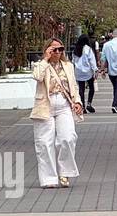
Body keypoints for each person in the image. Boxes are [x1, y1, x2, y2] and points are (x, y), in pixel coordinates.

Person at [30, 38, 84, 189]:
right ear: (47, 50)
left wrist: (78, 102)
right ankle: (48, 178)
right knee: (45, 143)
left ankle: (65, 172)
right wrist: (46, 59)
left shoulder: (68, 66)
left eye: (60, 49)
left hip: (64, 106)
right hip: (44, 107)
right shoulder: (40, 65)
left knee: (68, 137)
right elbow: (38, 76)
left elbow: (73, 86)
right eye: (54, 49)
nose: (58, 52)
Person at [71, 34, 98, 114]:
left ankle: (82, 106)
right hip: (88, 71)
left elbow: (73, 61)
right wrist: (95, 70)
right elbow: (92, 61)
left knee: (81, 89)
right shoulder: (88, 49)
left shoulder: (75, 50)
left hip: (78, 72)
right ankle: (89, 104)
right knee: (91, 88)